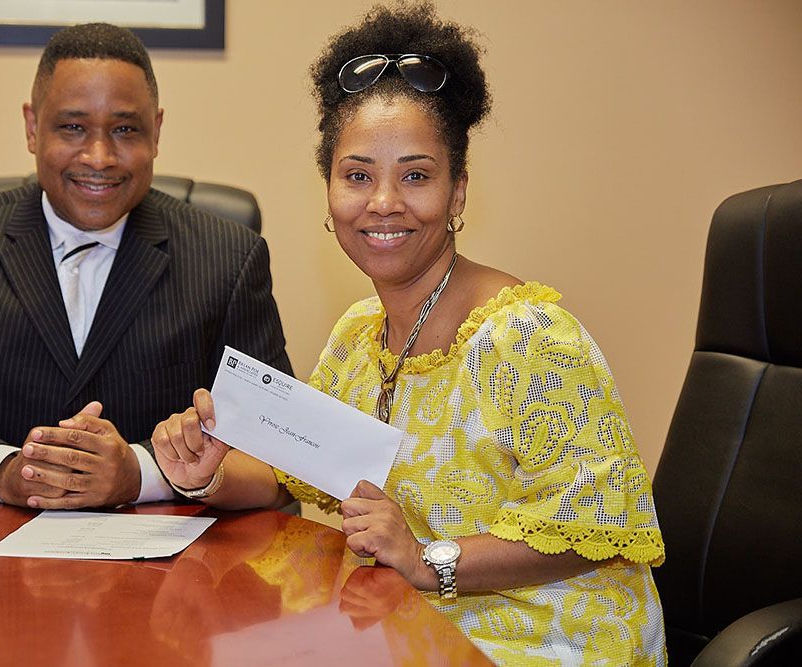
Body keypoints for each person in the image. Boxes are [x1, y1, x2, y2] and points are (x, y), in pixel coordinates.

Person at [151, 3, 665, 664]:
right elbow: (295, 473)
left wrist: (427, 558)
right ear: (329, 190)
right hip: (404, 620)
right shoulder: (358, 332)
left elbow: (599, 526)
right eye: (357, 175)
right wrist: (204, 475)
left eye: (416, 176)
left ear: (457, 194)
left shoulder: (532, 336)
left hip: (547, 633)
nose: (384, 202)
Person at [0, 23, 291, 510]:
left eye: (126, 129)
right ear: (31, 127)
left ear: (157, 131)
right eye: (72, 127)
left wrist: (140, 472)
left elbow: (274, 449)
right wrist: (4, 472)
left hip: (165, 571)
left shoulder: (229, 258)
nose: (100, 157)